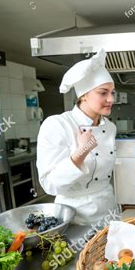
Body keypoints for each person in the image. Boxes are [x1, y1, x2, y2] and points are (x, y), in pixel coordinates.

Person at [37, 49, 117, 225]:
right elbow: (50, 185)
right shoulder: (57, 125)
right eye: (103, 93)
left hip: (108, 210)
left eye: (112, 92)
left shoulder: (110, 127)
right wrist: (81, 151)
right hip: (74, 216)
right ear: (83, 96)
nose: (111, 99)